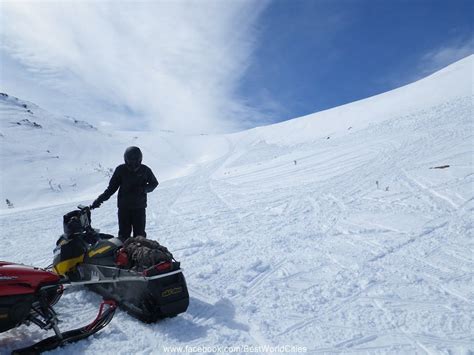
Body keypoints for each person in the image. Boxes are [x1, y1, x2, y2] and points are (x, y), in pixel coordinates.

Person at [91, 146, 158, 241]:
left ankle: (139, 254)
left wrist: (144, 189)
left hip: (139, 208)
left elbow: (154, 183)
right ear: (126, 159)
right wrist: (99, 200)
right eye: (131, 160)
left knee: (140, 237)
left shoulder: (145, 170)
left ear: (140, 159)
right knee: (123, 237)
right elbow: (111, 189)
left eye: (136, 160)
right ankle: (124, 255)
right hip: (124, 209)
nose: (133, 163)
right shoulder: (120, 170)